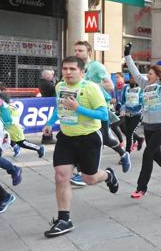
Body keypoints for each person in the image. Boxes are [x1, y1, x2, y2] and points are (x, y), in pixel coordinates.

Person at [40, 56, 120, 237]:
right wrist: (50, 123)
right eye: (65, 69)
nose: (68, 72)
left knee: (89, 179)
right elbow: (59, 107)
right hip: (66, 138)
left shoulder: (91, 89)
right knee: (61, 176)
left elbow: (103, 114)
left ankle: (108, 175)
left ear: (82, 72)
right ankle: (64, 219)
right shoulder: (60, 86)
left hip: (89, 138)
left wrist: (78, 108)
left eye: (72, 69)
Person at [124, 43, 161, 199]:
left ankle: (141, 188)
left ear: (158, 76)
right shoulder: (145, 85)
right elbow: (134, 72)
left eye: (150, 74)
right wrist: (127, 55)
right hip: (148, 126)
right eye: (147, 74)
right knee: (156, 155)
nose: (147, 76)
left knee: (147, 154)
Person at [73, 40, 130, 173]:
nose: (77, 53)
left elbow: (110, 85)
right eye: (75, 50)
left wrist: (91, 86)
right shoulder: (75, 66)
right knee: (79, 137)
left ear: (89, 52)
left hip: (98, 107)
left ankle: (123, 154)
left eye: (80, 50)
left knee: (105, 138)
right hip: (82, 107)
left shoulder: (96, 66)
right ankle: (80, 171)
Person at [0, 86, 46, 159]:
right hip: (8, 127)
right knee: (3, 139)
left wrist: (7, 124)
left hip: (13, 128)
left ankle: (39, 148)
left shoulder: (5, 107)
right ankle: (14, 148)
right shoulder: (6, 106)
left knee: (22, 142)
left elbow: (9, 119)